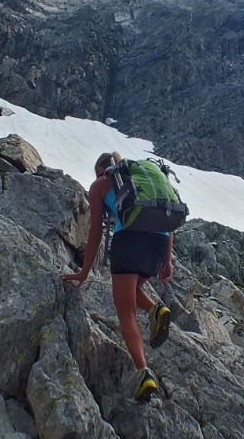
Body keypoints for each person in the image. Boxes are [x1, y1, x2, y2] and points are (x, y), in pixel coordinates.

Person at [62, 152, 172, 400]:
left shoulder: (100, 184)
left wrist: (84, 270)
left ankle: (144, 373)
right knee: (131, 291)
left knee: (126, 311)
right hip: (158, 241)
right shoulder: (142, 180)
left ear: (101, 169)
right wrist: (167, 259)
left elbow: (95, 232)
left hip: (129, 240)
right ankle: (156, 311)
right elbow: (166, 216)